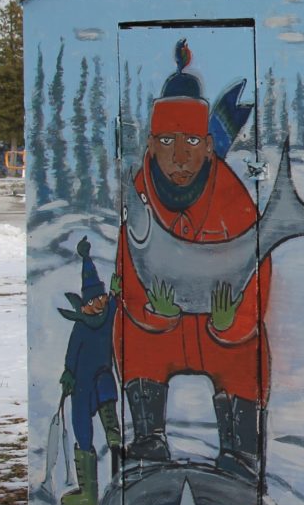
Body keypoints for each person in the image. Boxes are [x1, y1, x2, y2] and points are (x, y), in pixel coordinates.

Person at [113, 41, 267, 480]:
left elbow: (260, 271)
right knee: (133, 335)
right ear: (150, 142)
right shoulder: (139, 198)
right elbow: (129, 270)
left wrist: (232, 321)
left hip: (218, 330)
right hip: (164, 327)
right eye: (166, 141)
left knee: (247, 349)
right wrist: (152, 314)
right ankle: (147, 437)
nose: (179, 157)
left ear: (208, 145)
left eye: (192, 141)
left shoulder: (233, 198)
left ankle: (241, 449)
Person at [57, 237, 120, 505]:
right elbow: (72, 356)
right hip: (82, 384)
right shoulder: (84, 326)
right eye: (93, 301)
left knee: (107, 407)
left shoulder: (108, 314)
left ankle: (115, 443)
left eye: (101, 298)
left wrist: (117, 293)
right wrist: (68, 374)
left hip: (98, 379)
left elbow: (118, 302)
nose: (98, 304)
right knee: (84, 430)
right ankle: (89, 495)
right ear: (83, 306)